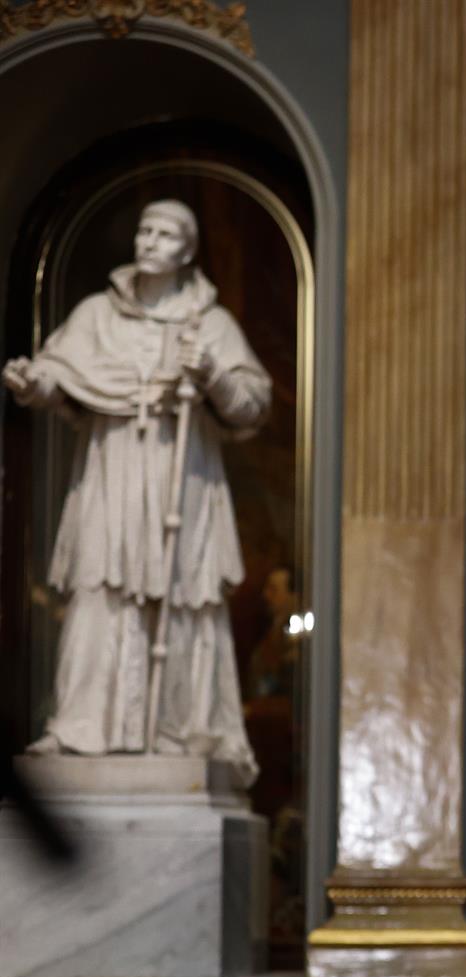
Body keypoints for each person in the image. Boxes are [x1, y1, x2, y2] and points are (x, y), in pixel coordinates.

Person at [3, 199, 269, 782]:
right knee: (100, 585)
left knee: (182, 593)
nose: (148, 241)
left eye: (165, 233)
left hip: (183, 479)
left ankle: (180, 729)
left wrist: (211, 376)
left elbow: (252, 404)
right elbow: (60, 372)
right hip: (113, 471)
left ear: (188, 251)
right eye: (143, 229)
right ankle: (80, 728)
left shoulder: (211, 325)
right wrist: (33, 382)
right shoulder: (98, 314)